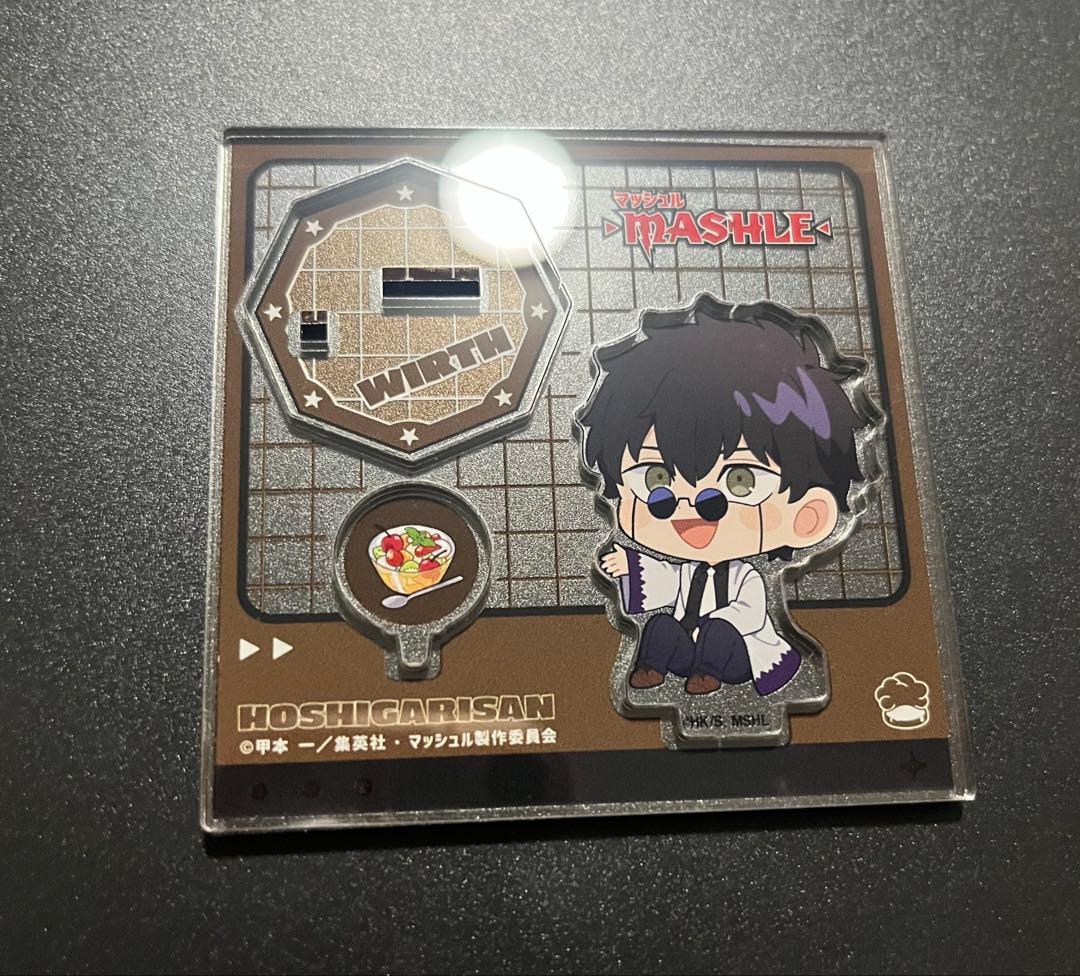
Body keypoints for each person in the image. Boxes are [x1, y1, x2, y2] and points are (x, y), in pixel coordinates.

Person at [579, 297, 875, 696]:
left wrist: (713, 626)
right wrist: (629, 566)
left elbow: (747, 616)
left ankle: (709, 675)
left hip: (737, 656)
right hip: (689, 652)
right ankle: (651, 668)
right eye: (656, 478)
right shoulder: (686, 573)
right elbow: (665, 582)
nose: (689, 508)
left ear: (808, 516)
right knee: (660, 624)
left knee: (719, 630)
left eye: (740, 481)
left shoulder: (746, 578)